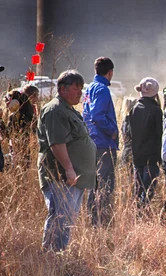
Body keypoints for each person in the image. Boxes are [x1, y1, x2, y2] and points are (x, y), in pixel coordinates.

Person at [37, 70, 96, 252]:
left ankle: (58, 256)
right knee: (61, 216)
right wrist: (69, 170)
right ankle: (52, 257)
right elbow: (57, 143)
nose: (80, 92)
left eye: (81, 88)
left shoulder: (68, 110)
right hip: (60, 176)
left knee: (67, 218)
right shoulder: (55, 110)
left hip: (73, 177)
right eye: (76, 88)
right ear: (62, 89)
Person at [83, 57, 119, 226]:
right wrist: (111, 131)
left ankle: (92, 218)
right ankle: (101, 220)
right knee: (105, 183)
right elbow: (98, 115)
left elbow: (88, 114)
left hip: (91, 141)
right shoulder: (103, 89)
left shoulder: (89, 88)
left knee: (94, 182)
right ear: (110, 72)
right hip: (104, 143)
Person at [129, 77, 163, 209]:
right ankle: (144, 214)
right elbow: (160, 134)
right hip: (152, 157)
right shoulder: (156, 110)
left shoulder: (134, 108)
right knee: (148, 191)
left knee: (138, 191)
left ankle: (137, 215)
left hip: (137, 156)